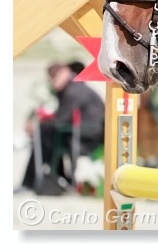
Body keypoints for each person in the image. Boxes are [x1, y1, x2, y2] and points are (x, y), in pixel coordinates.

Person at [18, 62, 105, 193]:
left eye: (57, 75)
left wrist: (38, 125)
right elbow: (62, 117)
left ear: (66, 72)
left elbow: (61, 119)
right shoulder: (73, 88)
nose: (54, 79)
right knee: (46, 135)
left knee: (45, 135)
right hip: (81, 133)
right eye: (52, 76)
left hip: (87, 137)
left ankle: (34, 182)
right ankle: (59, 179)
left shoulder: (74, 90)